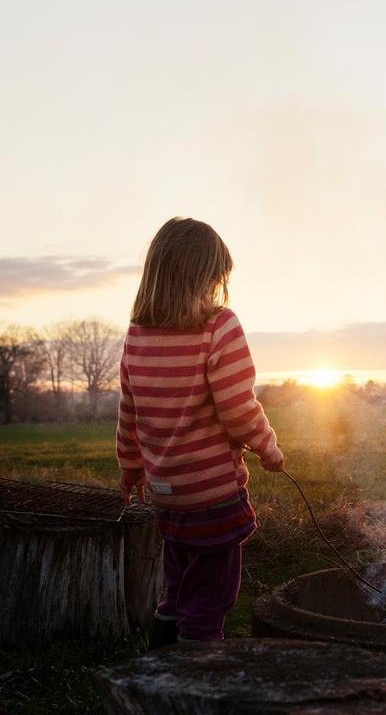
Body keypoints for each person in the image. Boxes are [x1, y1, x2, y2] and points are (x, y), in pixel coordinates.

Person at [115, 217, 284, 647]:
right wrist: (268, 447)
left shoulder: (137, 335)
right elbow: (238, 408)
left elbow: (128, 412)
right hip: (213, 496)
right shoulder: (218, 326)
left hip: (167, 495)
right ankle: (196, 673)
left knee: (177, 589)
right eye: (216, 278)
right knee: (210, 597)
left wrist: (131, 469)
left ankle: (158, 663)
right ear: (205, 276)